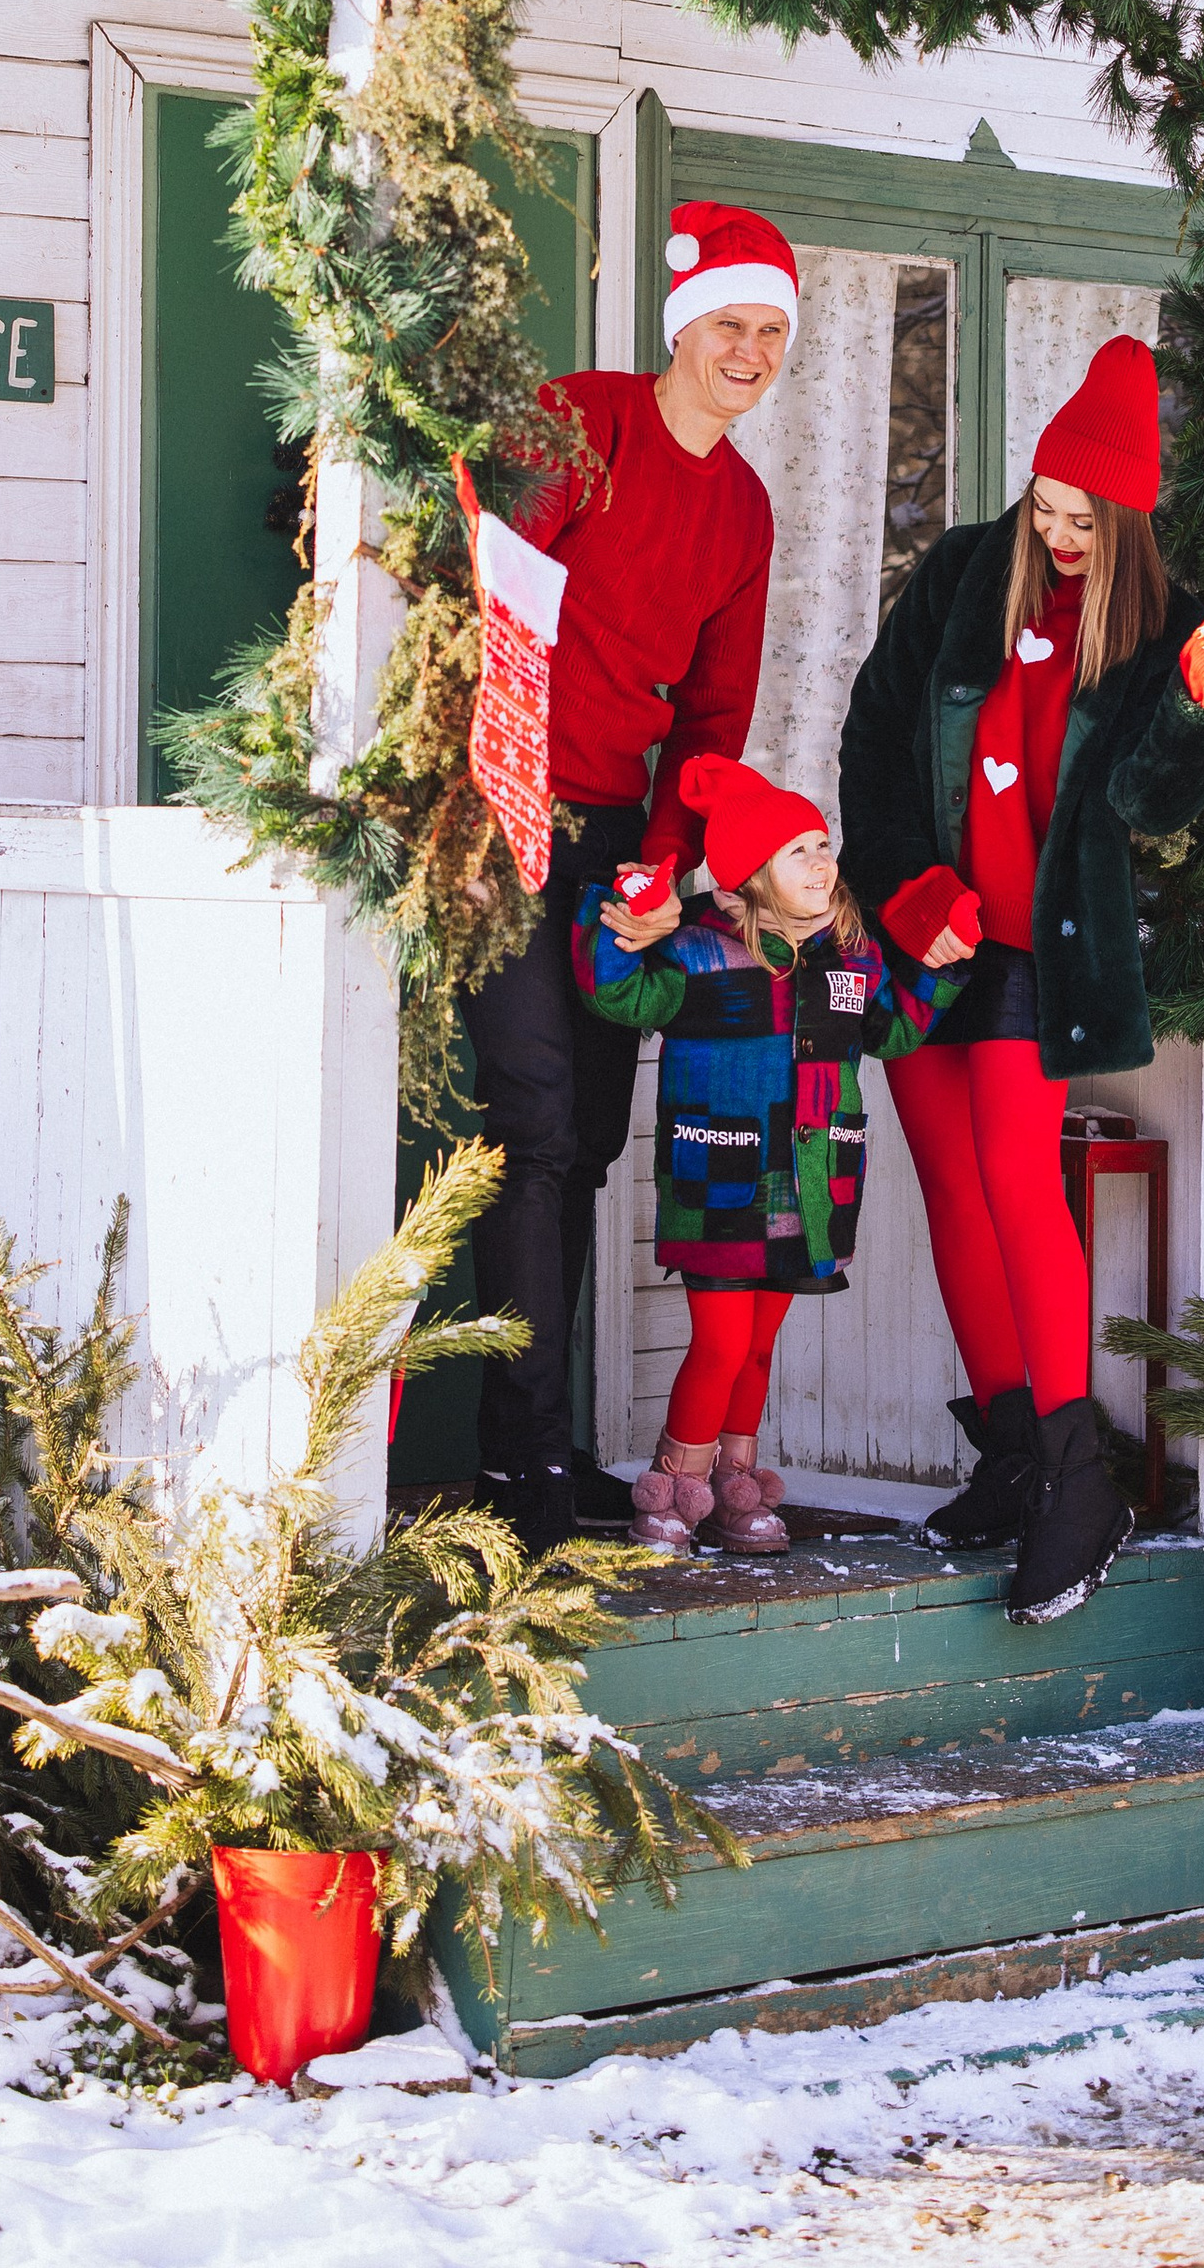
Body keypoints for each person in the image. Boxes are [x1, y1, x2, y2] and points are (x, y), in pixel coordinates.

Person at [838, 333, 1204, 1623]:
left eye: (1086, 517)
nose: (1061, 533)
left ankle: (1082, 1477)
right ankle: (1014, 1449)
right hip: (925, 933)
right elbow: (871, 733)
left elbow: (1145, 797)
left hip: (1037, 948)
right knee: (950, 1188)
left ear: (1125, 519)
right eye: (1047, 507)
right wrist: (910, 888)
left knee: (1021, 1184)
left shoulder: (1149, 626)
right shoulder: (964, 572)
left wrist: (1196, 698)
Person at [468, 200, 797, 1553]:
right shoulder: (585, 422)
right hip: (504, 808)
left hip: (619, 843)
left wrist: (664, 866)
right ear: (683, 326)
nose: (752, 351)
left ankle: (541, 1443)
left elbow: (714, 722)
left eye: (773, 332)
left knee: (588, 1141)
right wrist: (493, 782)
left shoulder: (746, 510)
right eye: (733, 324)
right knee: (539, 1126)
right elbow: (493, 590)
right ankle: (528, 1463)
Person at [575, 753, 956, 1555]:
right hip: (719, 1180)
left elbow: (895, 1032)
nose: (823, 862)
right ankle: (674, 1484)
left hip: (810, 1184)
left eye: (824, 844)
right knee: (717, 1342)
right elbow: (619, 992)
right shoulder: (699, 957)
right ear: (749, 875)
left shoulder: (853, 960)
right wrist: (618, 915)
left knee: (756, 1345)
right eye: (798, 851)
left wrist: (938, 967)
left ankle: (735, 1487)